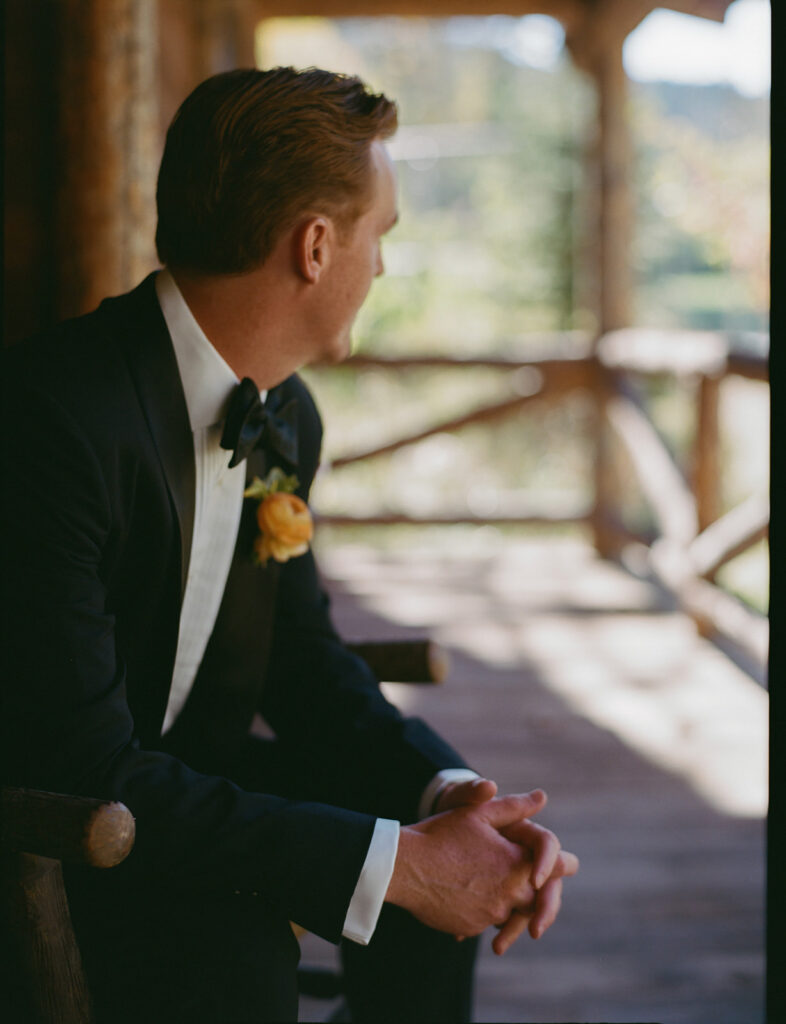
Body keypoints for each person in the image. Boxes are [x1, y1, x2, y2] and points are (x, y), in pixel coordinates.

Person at [1, 67, 578, 1023]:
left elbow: (302, 661)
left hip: (184, 788)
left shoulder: (284, 417)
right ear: (316, 246)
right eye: (379, 236)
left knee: (434, 892)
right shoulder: (54, 416)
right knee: (239, 956)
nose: (382, 267)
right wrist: (392, 863)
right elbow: (84, 762)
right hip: (63, 833)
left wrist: (451, 798)